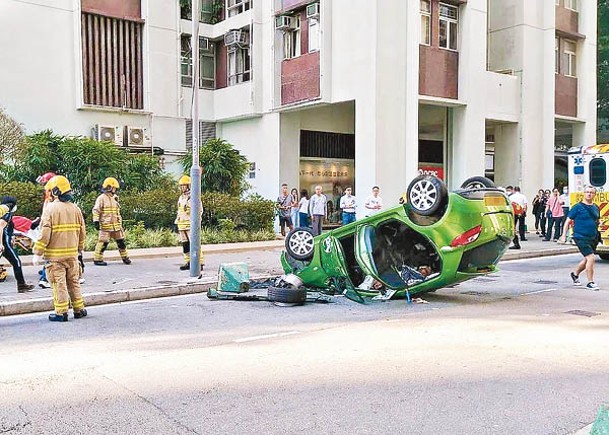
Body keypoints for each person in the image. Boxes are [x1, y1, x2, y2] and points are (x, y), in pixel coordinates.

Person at [32, 176, 87, 321]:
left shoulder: (50, 209)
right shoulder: (76, 209)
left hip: (55, 258)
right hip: (72, 256)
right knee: (73, 282)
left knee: (59, 284)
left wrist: (37, 253)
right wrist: (80, 248)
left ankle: (61, 312)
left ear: (55, 191)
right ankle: (79, 309)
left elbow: (44, 233)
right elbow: (82, 231)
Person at [560, 186, 601, 290]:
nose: (589, 194)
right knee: (591, 258)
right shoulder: (577, 207)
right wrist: (564, 235)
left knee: (587, 259)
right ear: (584, 193)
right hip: (580, 236)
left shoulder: (596, 207)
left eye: (591, 192)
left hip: (593, 237)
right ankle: (590, 282)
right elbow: (567, 221)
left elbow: (597, 220)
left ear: (594, 194)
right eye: (587, 192)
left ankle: (575, 274)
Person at [92, 177, 131, 266]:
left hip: (116, 225)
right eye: (114, 188)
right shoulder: (101, 198)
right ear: (110, 187)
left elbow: (117, 212)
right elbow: (96, 210)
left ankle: (125, 257)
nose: (116, 189)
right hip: (106, 225)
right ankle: (97, 259)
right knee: (103, 242)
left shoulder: (115, 198)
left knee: (121, 242)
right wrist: (96, 221)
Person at [0, 197, 35, 293]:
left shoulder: (5, 213)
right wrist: (1, 244)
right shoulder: (7, 214)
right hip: (4, 244)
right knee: (16, 262)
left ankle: (22, 284)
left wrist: (11, 238)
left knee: (16, 262)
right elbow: (1, 227)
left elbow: (8, 230)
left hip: (5, 243)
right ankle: (21, 285)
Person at [175, 175, 204, 271]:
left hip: (190, 225)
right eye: (181, 186)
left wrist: (196, 222)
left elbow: (199, 210)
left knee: (194, 243)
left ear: (188, 186)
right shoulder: (181, 197)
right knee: (185, 245)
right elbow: (180, 211)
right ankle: (188, 261)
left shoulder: (193, 196)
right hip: (181, 224)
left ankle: (199, 262)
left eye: (183, 185)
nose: (182, 187)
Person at [35, 171, 56, 288]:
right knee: (51, 255)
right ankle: (44, 278)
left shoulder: (49, 197)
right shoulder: (51, 198)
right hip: (50, 229)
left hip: (47, 227)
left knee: (50, 255)